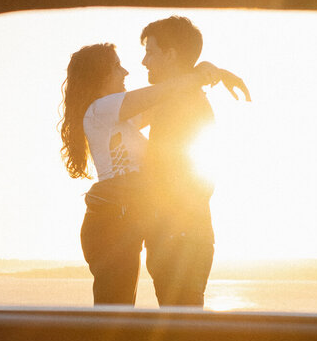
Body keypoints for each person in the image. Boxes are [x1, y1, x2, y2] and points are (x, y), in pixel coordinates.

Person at [59, 39, 247, 306]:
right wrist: (205, 73)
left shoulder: (119, 117)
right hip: (110, 225)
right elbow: (165, 90)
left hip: (123, 222)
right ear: (99, 74)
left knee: (117, 317)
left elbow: (171, 94)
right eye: (117, 66)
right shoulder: (99, 111)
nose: (126, 72)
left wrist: (210, 70)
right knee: (113, 319)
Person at [140, 15, 251, 307]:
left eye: (150, 52)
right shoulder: (179, 97)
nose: (144, 61)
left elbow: (193, 176)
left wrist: (168, 226)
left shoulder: (184, 102)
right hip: (180, 235)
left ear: (171, 54)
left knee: (179, 328)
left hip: (182, 238)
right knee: (178, 323)